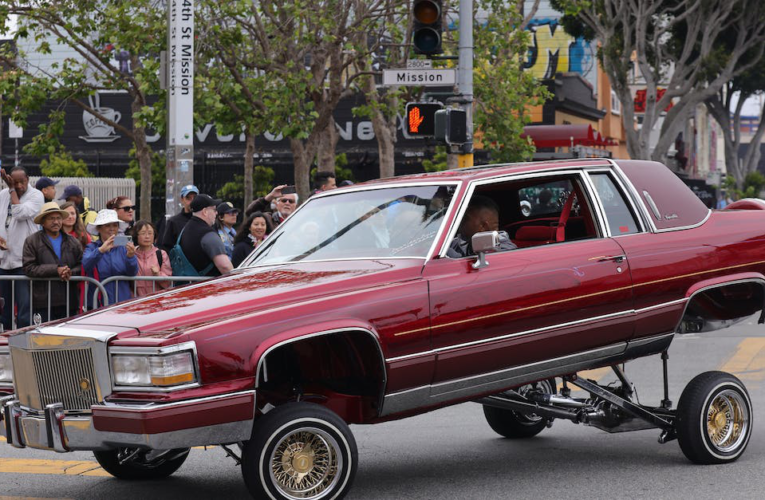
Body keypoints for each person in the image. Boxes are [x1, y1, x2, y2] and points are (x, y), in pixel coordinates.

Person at [22, 202, 83, 322]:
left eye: (58, 218)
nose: (56, 222)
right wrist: (56, 270)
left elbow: (82, 265)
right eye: (51, 218)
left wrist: (70, 272)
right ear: (43, 222)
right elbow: (29, 267)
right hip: (42, 301)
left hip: (68, 299)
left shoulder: (73, 242)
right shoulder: (32, 241)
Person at [0, 167, 45, 330]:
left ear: (28, 180)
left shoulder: (36, 196)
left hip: (24, 261)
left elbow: (19, 213)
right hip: (4, 261)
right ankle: (4, 344)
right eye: (15, 182)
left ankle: (23, 339)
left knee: (25, 307)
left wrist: (11, 188)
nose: (18, 186)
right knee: (4, 308)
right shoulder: (3, 195)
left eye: (21, 182)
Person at [82, 209, 138, 308]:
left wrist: (130, 257)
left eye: (115, 225)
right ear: (99, 229)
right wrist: (100, 251)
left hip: (122, 301)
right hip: (98, 302)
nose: (112, 229)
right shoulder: (92, 247)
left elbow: (132, 273)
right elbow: (86, 265)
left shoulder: (124, 247)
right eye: (107, 225)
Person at [178, 194, 233, 276]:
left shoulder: (185, 230)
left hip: (189, 284)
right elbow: (225, 266)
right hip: (209, 286)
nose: (216, 213)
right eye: (214, 209)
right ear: (205, 212)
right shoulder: (208, 234)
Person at [447, 195, 516, 258]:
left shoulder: (506, 250)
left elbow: (462, 264)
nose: (459, 223)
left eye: (464, 219)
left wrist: (448, 252)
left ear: (483, 226)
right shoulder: (457, 241)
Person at [132, 220, 172, 297]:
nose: (147, 237)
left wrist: (158, 274)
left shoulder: (161, 254)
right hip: (135, 301)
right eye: (143, 233)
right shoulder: (131, 254)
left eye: (150, 233)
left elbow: (168, 282)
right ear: (136, 236)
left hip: (157, 300)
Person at [160, 184, 199, 252]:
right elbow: (166, 247)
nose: (192, 201)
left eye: (195, 198)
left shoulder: (205, 220)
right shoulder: (173, 222)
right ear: (182, 199)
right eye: (188, 198)